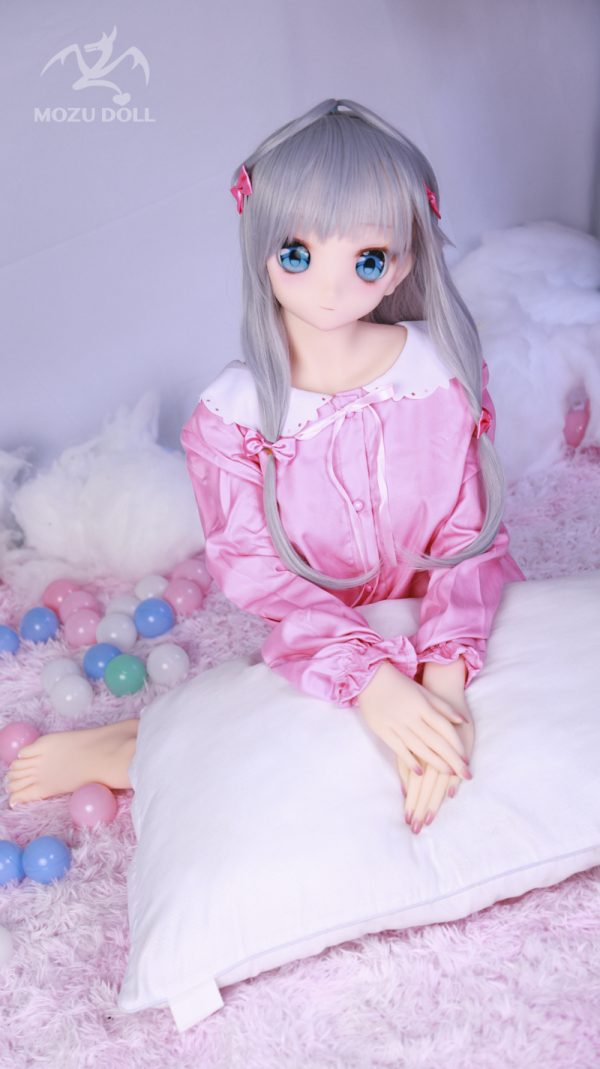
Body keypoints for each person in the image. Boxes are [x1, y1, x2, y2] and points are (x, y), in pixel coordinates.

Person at [6, 98, 526, 835]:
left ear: (403, 264)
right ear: (260, 247)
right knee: (294, 767)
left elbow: (468, 533)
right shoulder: (236, 416)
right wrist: (372, 680)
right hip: (324, 631)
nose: (330, 288)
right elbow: (260, 574)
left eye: (367, 260)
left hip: (459, 609)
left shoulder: (438, 372)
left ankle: (148, 743)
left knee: (501, 743)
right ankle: (134, 748)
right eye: (298, 254)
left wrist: (444, 679)